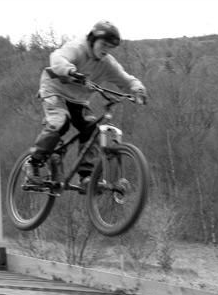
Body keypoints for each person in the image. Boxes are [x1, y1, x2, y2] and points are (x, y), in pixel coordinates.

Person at [25, 20, 148, 190]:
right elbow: (57, 58)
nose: (105, 50)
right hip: (54, 89)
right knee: (60, 121)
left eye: (109, 47)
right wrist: (70, 70)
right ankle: (34, 163)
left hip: (77, 100)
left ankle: (86, 177)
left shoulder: (107, 63)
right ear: (92, 40)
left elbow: (125, 78)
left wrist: (138, 89)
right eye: (103, 44)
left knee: (91, 127)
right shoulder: (78, 47)